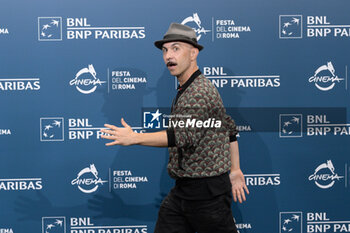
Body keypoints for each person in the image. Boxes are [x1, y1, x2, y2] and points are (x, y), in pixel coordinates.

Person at [100, 23, 249, 233]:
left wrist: (134, 137)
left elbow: (181, 135)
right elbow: (229, 129)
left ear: (193, 53)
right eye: (165, 50)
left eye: (176, 48)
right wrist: (235, 170)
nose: (169, 55)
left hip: (207, 194)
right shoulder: (187, 88)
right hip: (185, 190)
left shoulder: (199, 92)